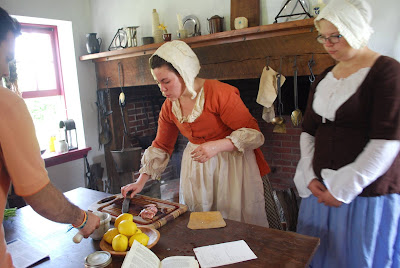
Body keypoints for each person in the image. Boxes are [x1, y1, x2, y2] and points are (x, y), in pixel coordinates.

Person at [121, 40, 280, 228]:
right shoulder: (170, 107)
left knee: (235, 222)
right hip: (197, 169)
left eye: (166, 81)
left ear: (184, 73)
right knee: (202, 223)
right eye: (158, 83)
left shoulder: (220, 93)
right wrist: (140, 182)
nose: (162, 89)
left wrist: (217, 145)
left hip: (232, 166)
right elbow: (161, 146)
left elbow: (254, 135)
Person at [293, 0, 400, 267]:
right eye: (323, 37)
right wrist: (309, 174)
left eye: (336, 36)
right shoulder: (325, 76)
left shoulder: (387, 71)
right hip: (320, 191)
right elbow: (308, 131)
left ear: (355, 31)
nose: (328, 44)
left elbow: (386, 141)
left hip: (364, 195)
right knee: (317, 258)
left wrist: (343, 188)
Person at [0, 7, 100, 267]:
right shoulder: (6, 105)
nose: (7, 70)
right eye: (7, 57)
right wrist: (83, 219)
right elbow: (38, 194)